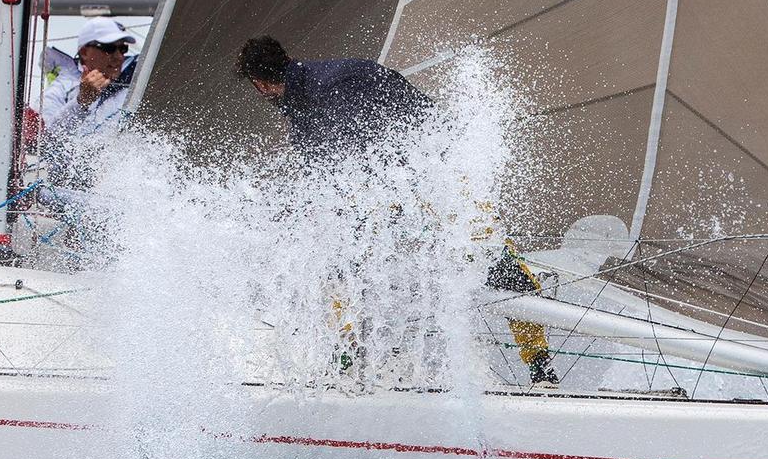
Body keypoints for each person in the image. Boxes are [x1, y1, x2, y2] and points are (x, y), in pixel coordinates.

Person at [237, 36, 559, 386]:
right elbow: (330, 179)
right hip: (412, 181)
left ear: (260, 84)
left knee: (496, 267)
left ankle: (541, 371)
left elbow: (365, 149)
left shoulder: (329, 86)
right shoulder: (306, 101)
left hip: (435, 180)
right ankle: (348, 361)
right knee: (330, 263)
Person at [235, 35, 431, 160]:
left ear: (261, 84)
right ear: (285, 56)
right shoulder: (321, 79)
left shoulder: (326, 93)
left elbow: (372, 150)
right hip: (434, 137)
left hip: (423, 156)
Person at [40, 17, 138, 137]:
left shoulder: (136, 81)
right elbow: (46, 143)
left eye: (123, 49)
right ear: (84, 52)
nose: (119, 57)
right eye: (109, 49)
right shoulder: (58, 92)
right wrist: (82, 102)